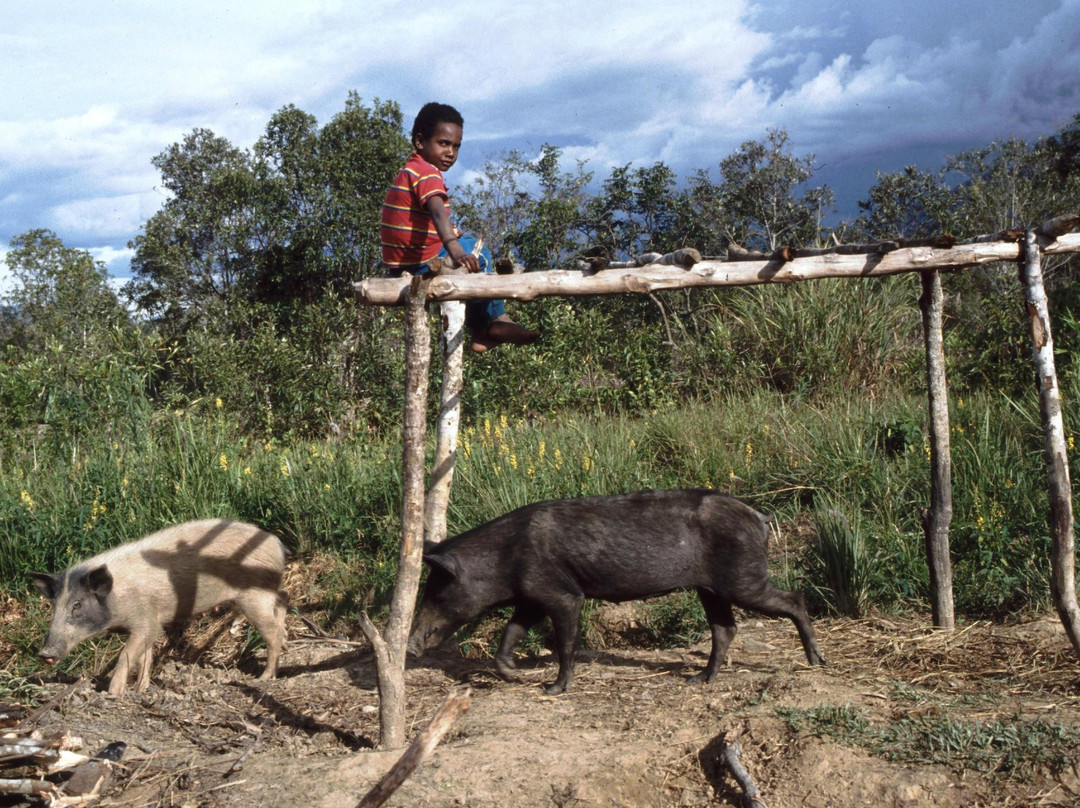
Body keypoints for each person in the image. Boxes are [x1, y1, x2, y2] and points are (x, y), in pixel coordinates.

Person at [381, 102, 539, 353]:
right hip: (420, 262)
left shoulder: (410, 171)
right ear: (420, 142)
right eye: (443, 143)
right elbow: (436, 212)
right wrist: (456, 250)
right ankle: (492, 323)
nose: (451, 153)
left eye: (456, 146)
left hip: (399, 265)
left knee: (470, 252)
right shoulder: (427, 174)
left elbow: (426, 219)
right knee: (480, 254)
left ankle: (485, 329)